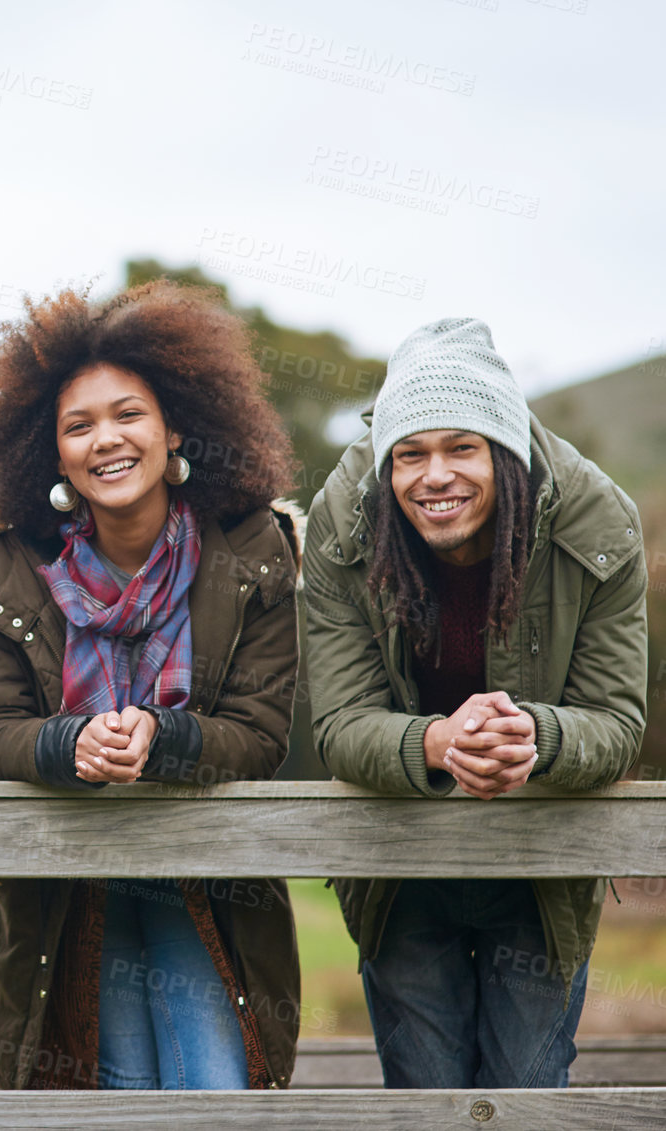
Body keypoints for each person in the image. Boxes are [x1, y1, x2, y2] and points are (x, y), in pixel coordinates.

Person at [0, 282, 304, 1090]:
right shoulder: (7, 565)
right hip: (69, 887)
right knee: (113, 1090)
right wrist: (69, 741)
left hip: (205, 879)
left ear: (176, 425)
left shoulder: (256, 550)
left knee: (213, 1088)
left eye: (128, 414)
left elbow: (260, 734)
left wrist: (163, 735)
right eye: (78, 425)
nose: (105, 440)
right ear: (51, 451)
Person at [304, 317, 647, 1088]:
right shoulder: (340, 522)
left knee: (526, 1091)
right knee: (426, 1090)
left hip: (541, 860)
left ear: (507, 452)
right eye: (411, 454)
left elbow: (618, 723)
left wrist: (537, 736)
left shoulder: (599, 521)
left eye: (463, 448)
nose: (435, 476)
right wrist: (436, 743)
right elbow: (339, 722)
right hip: (401, 859)